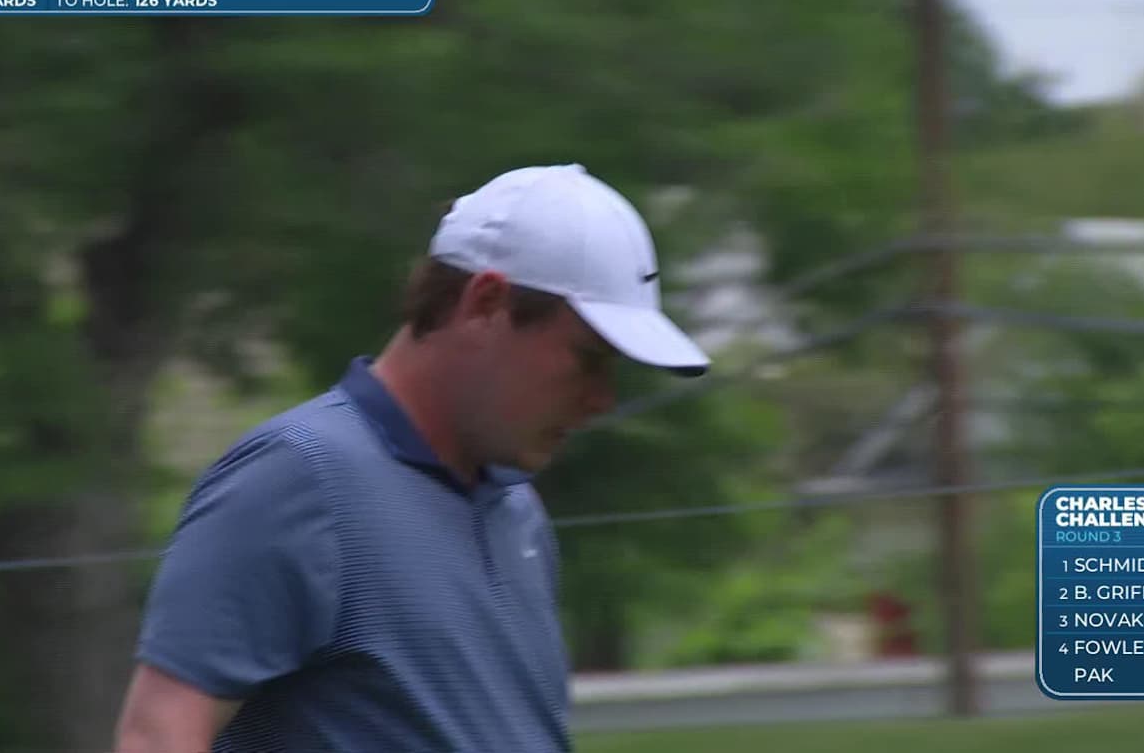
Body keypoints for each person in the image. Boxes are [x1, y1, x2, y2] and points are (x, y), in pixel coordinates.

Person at [112, 164, 710, 752]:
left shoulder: (516, 510)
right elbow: (158, 734)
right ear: (485, 302)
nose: (603, 400)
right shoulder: (299, 477)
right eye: (587, 359)